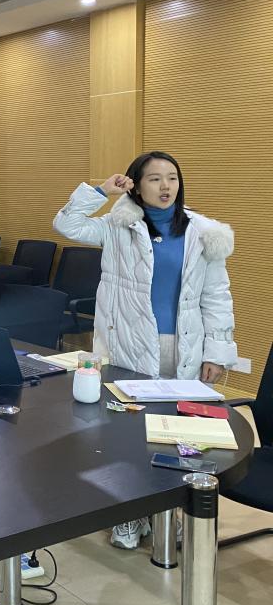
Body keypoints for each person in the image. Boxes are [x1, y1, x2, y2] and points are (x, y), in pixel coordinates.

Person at [53, 150, 237, 549]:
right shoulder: (117, 226)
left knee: (180, 436)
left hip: (183, 347)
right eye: (155, 178)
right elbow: (67, 223)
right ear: (136, 185)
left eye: (172, 177)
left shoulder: (203, 232)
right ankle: (130, 514)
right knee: (128, 434)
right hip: (128, 344)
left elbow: (216, 296)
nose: (165, 186)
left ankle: (168, 514)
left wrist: (216, 352)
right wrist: (100, 191)